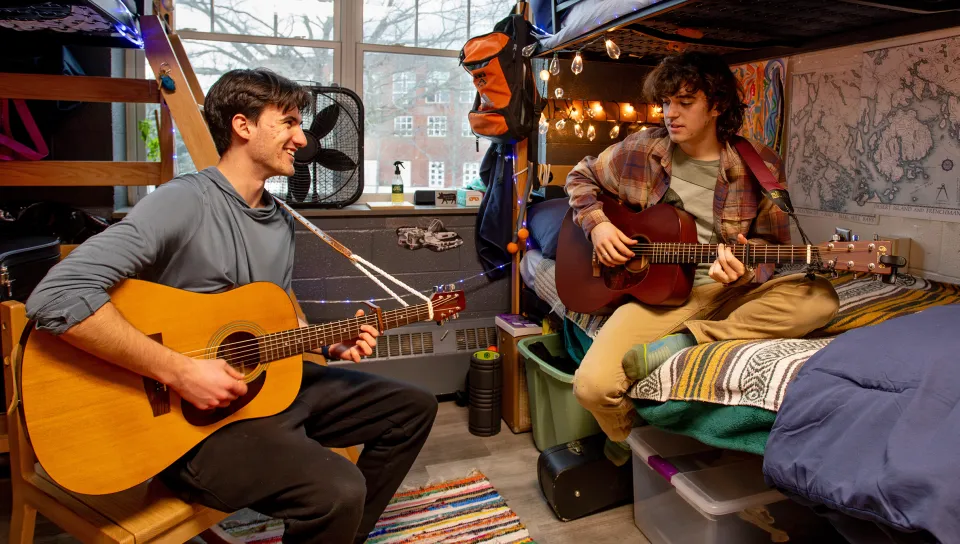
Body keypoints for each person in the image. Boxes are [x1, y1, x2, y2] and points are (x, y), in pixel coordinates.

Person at [25, 68, 438, 544]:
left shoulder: (280, 220)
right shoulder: (183, 203)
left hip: (263, 394)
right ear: (243, 126)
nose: (302, 138)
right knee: (338, 489)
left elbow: (274, 321)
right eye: (287, 122)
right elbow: (56, 297)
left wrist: (327, 344)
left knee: (412, 407)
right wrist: (179, 371)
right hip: (190, 425)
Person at [565, 52, 839, 460]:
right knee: (591, 386)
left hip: (730, 290)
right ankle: (624, 436)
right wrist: (599, 224)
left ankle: (686, 342)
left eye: (684, 102)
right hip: (657, 294)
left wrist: (748, 265)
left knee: (819, 299)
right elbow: (579, 176)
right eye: (666, 103)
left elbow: (771, 244)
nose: (670, 114)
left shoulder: (758, 165)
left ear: (717, 105)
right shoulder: (640, 150)